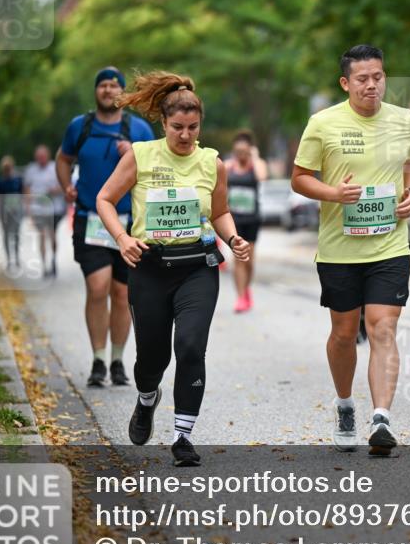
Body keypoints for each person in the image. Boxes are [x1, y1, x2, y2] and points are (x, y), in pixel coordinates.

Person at [96, 71, 250, 467]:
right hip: (149, 268)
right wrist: (122, 238)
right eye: (177, 127)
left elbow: (220, 212)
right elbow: (105, 199)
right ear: (163, 123)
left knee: (191, 346)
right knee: (152, 358)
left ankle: (183, 436)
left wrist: (233, 238)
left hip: (197, 267)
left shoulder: (211, 162)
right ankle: (147, 398)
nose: (185, 135)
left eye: (193, 128)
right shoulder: (141, 156)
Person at [290, 45, 410, 456]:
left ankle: (381, 417)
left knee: (383, 327)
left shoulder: (404, 120)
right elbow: (299, 178)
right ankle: (345, 404)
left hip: (390, 244)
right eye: (362, 79)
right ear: (345, 83)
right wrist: (334, 193)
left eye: (378, 77)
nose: (372, 85)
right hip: (339, 250)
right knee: (344, 334)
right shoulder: (323, 123)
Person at [56, 67, 156, 388]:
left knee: (122, 292)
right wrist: (66, 186)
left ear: (122, 93)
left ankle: (117, 360)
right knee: (98, 288)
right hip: (91, 219)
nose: (109, 90)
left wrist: (134, 154)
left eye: (115, 85)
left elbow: (158, 169)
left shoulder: (139, 129)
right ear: (96, 90)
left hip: (130, 223)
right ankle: (98, 360)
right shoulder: (80, 126)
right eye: (103, 85)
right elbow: (63, 158)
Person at [225, 129, 268, 312]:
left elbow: (261, 177)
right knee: (238, 259)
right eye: (237, 152)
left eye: (244, 151)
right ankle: (240, 297)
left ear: (250, 150)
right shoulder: (229, 166)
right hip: (234, 220)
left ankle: (246, 288)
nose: (240, 155)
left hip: (252, 219)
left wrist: (255, 157)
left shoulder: (257, 165)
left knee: (249, 260)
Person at [23, 144, 66, 278]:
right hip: (38, 210)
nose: (41, 159)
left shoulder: (55, 168)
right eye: (38, 157)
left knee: (52, 235)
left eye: (43, 156)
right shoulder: (31, 170)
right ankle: (44, 265)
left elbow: (64, 185)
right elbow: (27, 189)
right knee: (41, 235)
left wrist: (54, 190)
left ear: (47, 156)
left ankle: (53, 259)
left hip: (54, 208)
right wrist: (28, 209)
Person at [0, 156, 23, 270]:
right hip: (5, 212)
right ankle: (9, 259)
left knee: (16, 235)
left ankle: (16, 257)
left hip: (16, 211)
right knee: (6, 235)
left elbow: (22, 194)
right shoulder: (1, 181)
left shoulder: (17, 180)